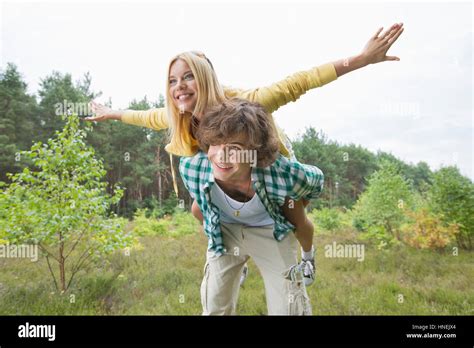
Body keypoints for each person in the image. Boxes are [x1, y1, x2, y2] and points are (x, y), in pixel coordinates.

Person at [84, 23, 405, 286]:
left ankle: (307, 258)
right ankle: (236, 256)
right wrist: (111, 112)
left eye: (187, 76)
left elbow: (300, 82)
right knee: (198, 210)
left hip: (267, 170)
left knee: (294, 216)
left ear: (205, 77)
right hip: (230, 178)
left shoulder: (246, 101)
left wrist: (362, 59)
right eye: (172, 80)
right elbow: (142, 116)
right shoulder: (178, 116)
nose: (178, 86)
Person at [180, 98, 325, 315]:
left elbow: (316, 181)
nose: (222, 155)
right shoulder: (192, 168)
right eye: (217, 143)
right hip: (226, 230)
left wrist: (296, 202)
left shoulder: (283, 173)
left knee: (288, 306)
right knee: (214, 304)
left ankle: (307, 258)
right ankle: (238, 265)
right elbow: (201, 205)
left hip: (269, 230)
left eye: (235, 148)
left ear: (255, 153)